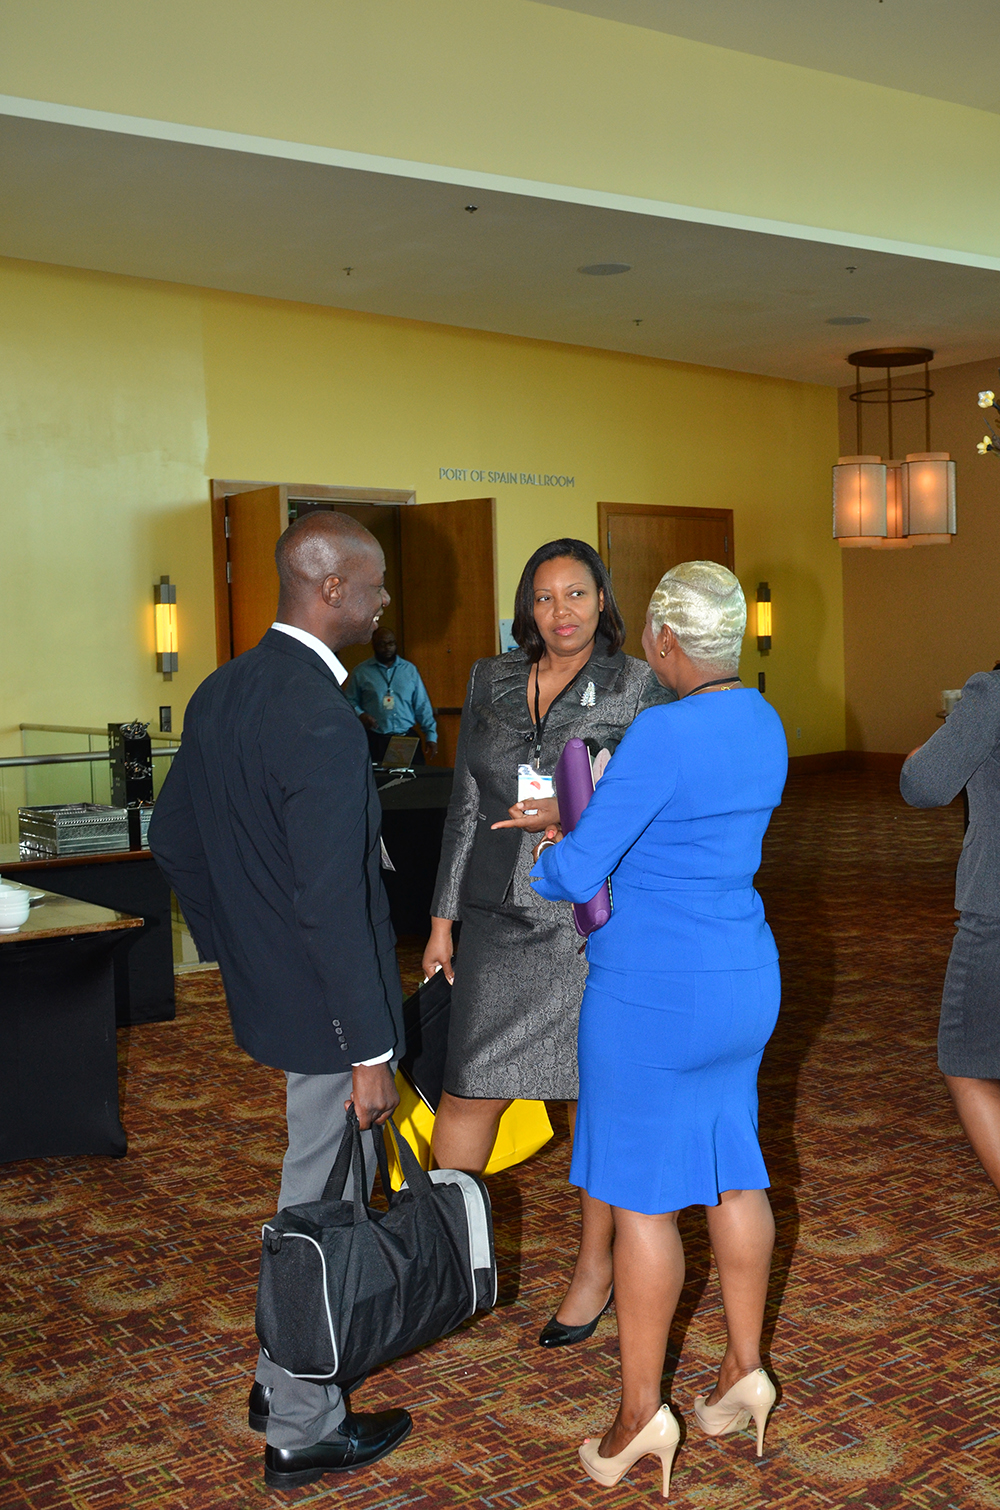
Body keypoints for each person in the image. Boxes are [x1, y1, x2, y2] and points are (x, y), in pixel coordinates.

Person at [148, 511, 412, 1491]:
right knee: (320, 1211)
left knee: (320, 1196)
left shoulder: (223, 688)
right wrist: (369, 1050)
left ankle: (277, 1382)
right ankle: (301, 1426)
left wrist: (238, 950)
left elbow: (172, 839)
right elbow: (333, 902)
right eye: (374, 584)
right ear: (331, 589)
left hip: (282, 995)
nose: (384, 601)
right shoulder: (321, 718)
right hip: (332, 1017)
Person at [530, 561, 787, 1496]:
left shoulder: (662, 732)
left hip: (653, 992)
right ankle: (743, 1372)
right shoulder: (765, 720)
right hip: (743, 977)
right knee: (733, 1169)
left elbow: (579, 869)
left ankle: (640, 1416)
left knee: (642, 1197)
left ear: (667, 642)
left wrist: (552, 849)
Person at [422, 538, 672, 1345]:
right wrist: (441, 921)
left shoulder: (640, 686)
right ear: (526, 607)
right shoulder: (489, 679)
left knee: (600, 1100)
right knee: (467, 1089)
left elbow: (654, 800)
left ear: (603, 600)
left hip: (592, 919)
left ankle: (595, 1271)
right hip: (498, 917)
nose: (560, 612)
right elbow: (467, 801)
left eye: (576, 594)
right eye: (544, 597)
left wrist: (574, 815)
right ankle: (442, 1266)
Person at [900, 666, 1000, 1200]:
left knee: (966, 1064)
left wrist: (921, 756)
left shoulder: (992, 694)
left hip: (996, 912)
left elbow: (925, 785)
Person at [346, 625, 438, 762]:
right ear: (373, 645)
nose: (387, 648)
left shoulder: (409, 670)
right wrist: (361, 714)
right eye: (382, 644)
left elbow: (422, 705)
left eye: (391, 643)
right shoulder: (361, 672)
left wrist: (431, 735)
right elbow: (349, 700)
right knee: (378, 776)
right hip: (376, 739)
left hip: (406, 738)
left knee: (413, 775)